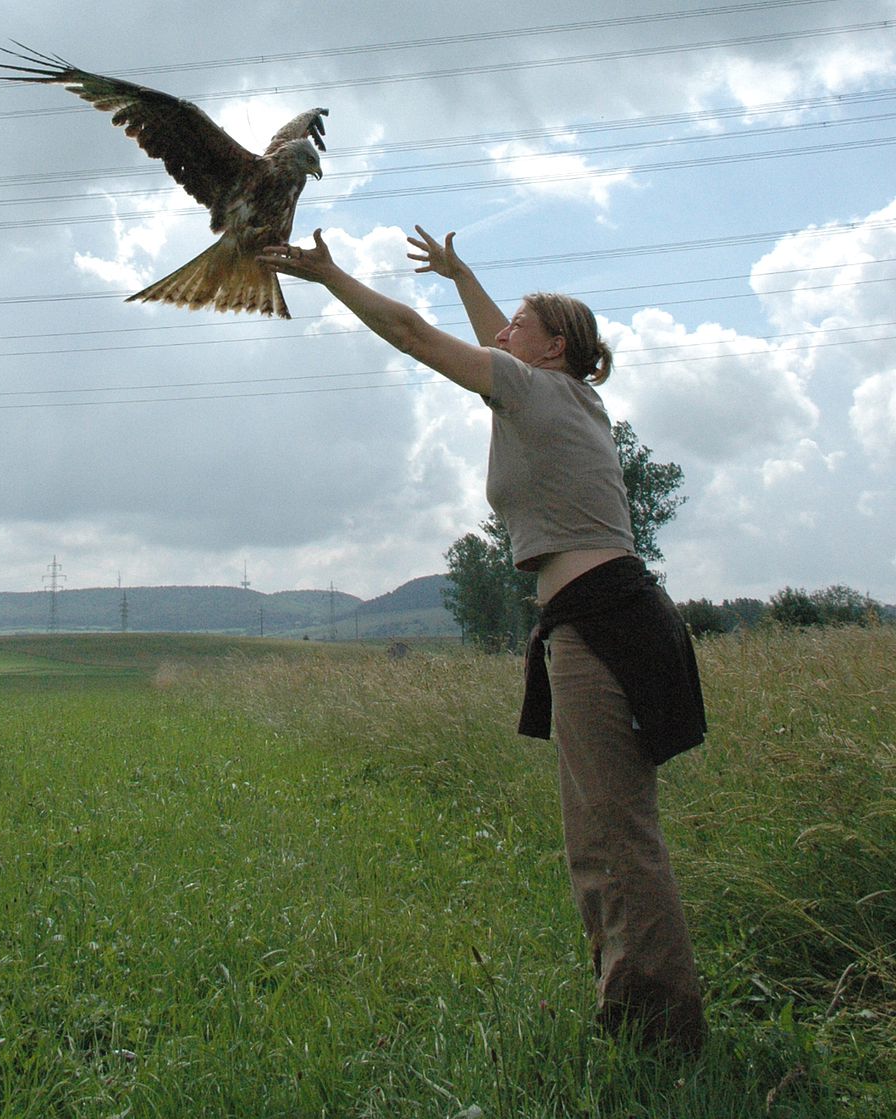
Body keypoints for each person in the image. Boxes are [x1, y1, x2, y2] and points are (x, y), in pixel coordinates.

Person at [259, 227, 708, 1052]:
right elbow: (493, 334)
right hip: (613, 615)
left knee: (613, 833)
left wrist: (330, 275)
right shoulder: (567, 394)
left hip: (600, 623)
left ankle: (664, 1029)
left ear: (553, 345)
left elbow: (413, 335)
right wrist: (464, 274)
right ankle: (631, 1004)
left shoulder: (535, 392)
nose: (499, 335)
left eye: (516, 326)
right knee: (601, 830)